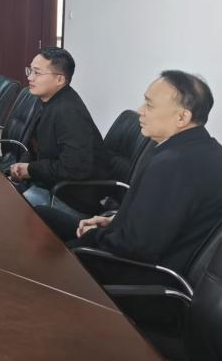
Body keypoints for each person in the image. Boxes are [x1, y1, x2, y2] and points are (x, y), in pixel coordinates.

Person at [40, 71, 222, 278]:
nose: (140, 111)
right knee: (44, 216)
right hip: (142, 253)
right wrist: (113, 220)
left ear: (182, 117)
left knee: (45, 255)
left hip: (137, 273)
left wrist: (95, 235)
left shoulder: (174, 164)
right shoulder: (205, 150)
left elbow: (137, 247)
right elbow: (165, 218)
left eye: (149, 105)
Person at [8, 47, 115, 210]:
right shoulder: (47, 100)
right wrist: (23, 166)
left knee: (10, 209)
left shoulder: (68, 112)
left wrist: (30, 169)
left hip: (72, 197)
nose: (30, 77)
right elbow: (36, 145)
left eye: (37, 73)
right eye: (30, 70)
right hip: (50, 184)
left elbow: (75, 167)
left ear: (59, 79)